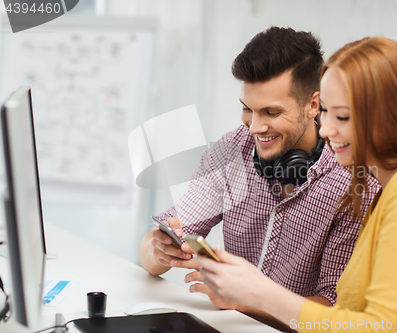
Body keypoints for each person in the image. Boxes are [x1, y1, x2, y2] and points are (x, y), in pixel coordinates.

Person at [197, 36, 397, 332]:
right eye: (326, 112)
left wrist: (258, 294)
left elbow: (385, 328)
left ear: (388, 118)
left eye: (341, 116)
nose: (326, 130)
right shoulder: (392, 186)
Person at [139, 27, 379, 327]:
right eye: (247, 109)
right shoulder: (233, 151)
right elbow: (152, 249)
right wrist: (158, 248)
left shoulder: (353, 185)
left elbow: (333, 307)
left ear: (313, 105)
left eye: (271, 112)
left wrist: (246, 301)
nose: (254, 127)